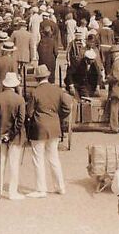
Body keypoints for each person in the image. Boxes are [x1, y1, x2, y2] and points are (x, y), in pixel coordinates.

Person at [26, 64, 72, 198]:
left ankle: (41, 189)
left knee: (38, 158)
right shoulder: (57, 90)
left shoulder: (35, 92)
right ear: (47, 76)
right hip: (54, 126)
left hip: (39, 127)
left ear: (36, 78)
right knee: (54, 158)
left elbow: (29, 112)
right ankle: (60, 187)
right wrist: (58, 117)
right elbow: (66, 107)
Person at [0, 71, 25, 200]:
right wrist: (12, 133)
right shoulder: (20, 100)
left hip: (0, 133)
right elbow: (21, 120)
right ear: (15, 85)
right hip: (15, 136)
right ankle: (12, 192)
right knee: (14, 164)